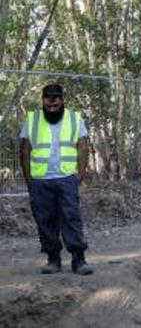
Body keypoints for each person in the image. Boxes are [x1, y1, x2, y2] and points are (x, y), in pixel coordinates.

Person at [19, 84, 93, 275]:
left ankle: (78, 260)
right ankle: (53, 259)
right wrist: (29, 178)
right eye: (48, 99)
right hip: (40, 180)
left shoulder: (75, 118)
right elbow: (25, 149)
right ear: (43, 100)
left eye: (56, 99)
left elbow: (83, 146)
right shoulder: (32, 119)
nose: (52, 103)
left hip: (67, 178)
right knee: (45, 220)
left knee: (71, 218)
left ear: (62, 100)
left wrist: (80, 174)